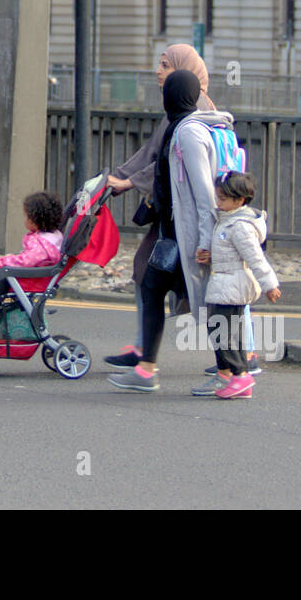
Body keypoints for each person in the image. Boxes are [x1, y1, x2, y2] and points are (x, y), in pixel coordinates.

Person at [103, 44, 216, 369]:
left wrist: (130, 182)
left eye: (165, 65)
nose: (158, 70)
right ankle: (145, 356)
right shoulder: (176, 108)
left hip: (187, 218)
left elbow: (170, 163)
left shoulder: (193, 114)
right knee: (152, 277)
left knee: (210, 287)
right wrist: (121, 176)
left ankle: (238, 358)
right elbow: (151, 152)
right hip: (172, 215)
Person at [195, 172, 281, 399]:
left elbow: (255, 258)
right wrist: (210, 255)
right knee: (228, 332)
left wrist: (270, 284)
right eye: (218, 197)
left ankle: (241, 375)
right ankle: (239, 378)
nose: (218, 202)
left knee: (223, 333)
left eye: (222, 199)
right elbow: (230, 253)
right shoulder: (228, 220)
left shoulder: (240, 226)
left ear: (239, 200)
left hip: (231, 287)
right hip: (225, 284)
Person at [0, 191, 64, 304]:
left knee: (4, 276)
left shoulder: (42, 246)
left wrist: (5, 261)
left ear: (34, 220)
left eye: (26, 216)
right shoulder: (54, 237)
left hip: (32, 280)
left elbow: (25, 261)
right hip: (39, 276)